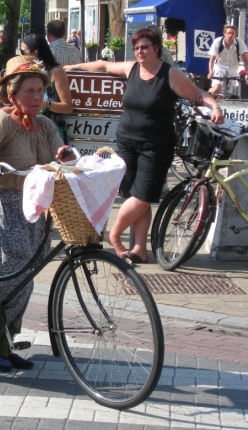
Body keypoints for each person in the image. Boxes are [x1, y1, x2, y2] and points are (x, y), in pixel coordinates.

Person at [64, 28, 223, 264]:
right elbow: (104, 66)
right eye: (137, 47)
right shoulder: (132, 69)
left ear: (156, 48)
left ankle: (114, 234)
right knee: (134, 194)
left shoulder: (171, 74)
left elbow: (198, 95)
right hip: (127, 141)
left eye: (145, 47)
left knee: (144, 195)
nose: (140, 51)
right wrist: (71, 68)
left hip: (156, 145)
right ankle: (140, 248)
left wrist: (215, 107)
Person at [0, 55, 71, 372]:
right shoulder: (1, 120)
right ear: (11, 95)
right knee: (8, 277)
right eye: (29, 91)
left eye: (40, 90)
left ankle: (6, 341)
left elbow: (59, 153)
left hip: (33, 208)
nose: (37, 97)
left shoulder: (46, 125)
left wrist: (66, 155)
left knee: (27, 276)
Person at [20, 33, 73, 143]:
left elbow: (68, 107)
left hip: (52, 131)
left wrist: (45, 104)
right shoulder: (26, 71)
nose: (20, 56)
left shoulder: (56, 71)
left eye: (23, 52)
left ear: (35, 53)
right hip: (29, 129)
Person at [208, 24, 248, 96]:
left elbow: (245, 59)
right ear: (224, 34)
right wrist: (210, 72)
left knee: (228, 93)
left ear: (235, 35)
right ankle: (206, 97)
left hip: (232, 69)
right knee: (217, 88)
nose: (230, 35)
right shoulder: (218, 42)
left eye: (233, 33)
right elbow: (212, 59)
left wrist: (247, 74)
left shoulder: (239, 43)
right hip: (219, 67)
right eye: (229, 33)